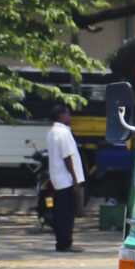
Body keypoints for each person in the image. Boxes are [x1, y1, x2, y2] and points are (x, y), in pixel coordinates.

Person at [46, 102, 85, 252]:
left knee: (61, 212)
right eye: (68, 114)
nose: (70, 117)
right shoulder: (63, 133)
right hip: (66, 180)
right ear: (62, 116)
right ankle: (65, 243)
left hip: (58, 179)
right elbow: (67, 157)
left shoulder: (52, 132)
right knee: (67, 214)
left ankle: (62, 241)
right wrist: (74, 179)